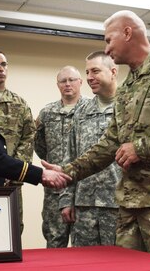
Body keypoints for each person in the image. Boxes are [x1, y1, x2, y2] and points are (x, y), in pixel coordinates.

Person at [43, 10, 150, 264]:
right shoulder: (127, 88)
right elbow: (110, 143)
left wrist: (142, 148)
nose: (107, 48)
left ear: (127, 33)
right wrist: (68, 171)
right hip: (132, 204)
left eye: (108, 40)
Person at [59, 51, 122, 247]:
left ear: (113, 71)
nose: (89, 78)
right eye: (87, 72)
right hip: (84, 204)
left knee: (122, 263)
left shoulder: (129, 107)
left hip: (119, 204)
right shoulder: (81, 111)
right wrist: (66, 199)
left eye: (95, 71)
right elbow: (70, 156)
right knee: (85, 263)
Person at [0, 49, 35, 233]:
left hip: (11, 183)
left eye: (3, 64)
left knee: (12, 229)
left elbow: (28, 138)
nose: (0, 69)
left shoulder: (19, 104)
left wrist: (12, 170)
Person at [34, 66, 88, 248]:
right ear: (57, 85)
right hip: (55, 188)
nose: (67, 84)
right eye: (63, 81)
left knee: (86, 246)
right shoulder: (47, 113)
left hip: (84, 187)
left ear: (80, 82)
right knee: (55, 240)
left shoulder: (91, 110)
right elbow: (39, 145)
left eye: (72, 80)